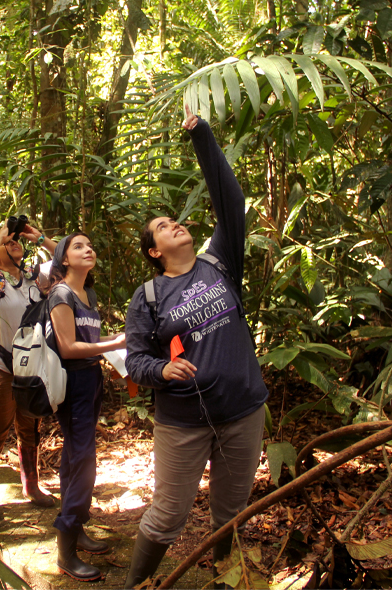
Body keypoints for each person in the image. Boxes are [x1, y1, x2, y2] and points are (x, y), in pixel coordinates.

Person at [122, 106, 269, 588]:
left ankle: (223, 578)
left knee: (231, 511)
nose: (175, 224)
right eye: (163, 227)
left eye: (175, 220)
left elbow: (231, 200)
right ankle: (135, 585)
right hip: (183, 423)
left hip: (243, 411)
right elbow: (137, 360)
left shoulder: (219, 261)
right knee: (168, 514)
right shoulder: (147, 298)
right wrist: (162, 372)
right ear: (154, 251)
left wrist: (201, 136)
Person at [47, 233, 126, 582]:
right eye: (78, 246)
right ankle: (65, 551)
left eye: (90, 244)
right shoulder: (60, 294)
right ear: (64, 259)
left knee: (74, 458)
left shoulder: (87, 294)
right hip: (74, 384)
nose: (88, 249)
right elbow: (67, 346)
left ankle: (76, 526)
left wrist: (115, 352)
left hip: (92, 380)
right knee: (84, 462)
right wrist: (117, 341)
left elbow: (90, 343)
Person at [0, 221, 58, 520]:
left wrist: (39, 236)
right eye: (8, 243)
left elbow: (67, 260)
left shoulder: (37, 278)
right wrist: (0, 234)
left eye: (16, 240)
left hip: (31, 365)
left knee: (30, 427)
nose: (15, 243)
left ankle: (31, 486)